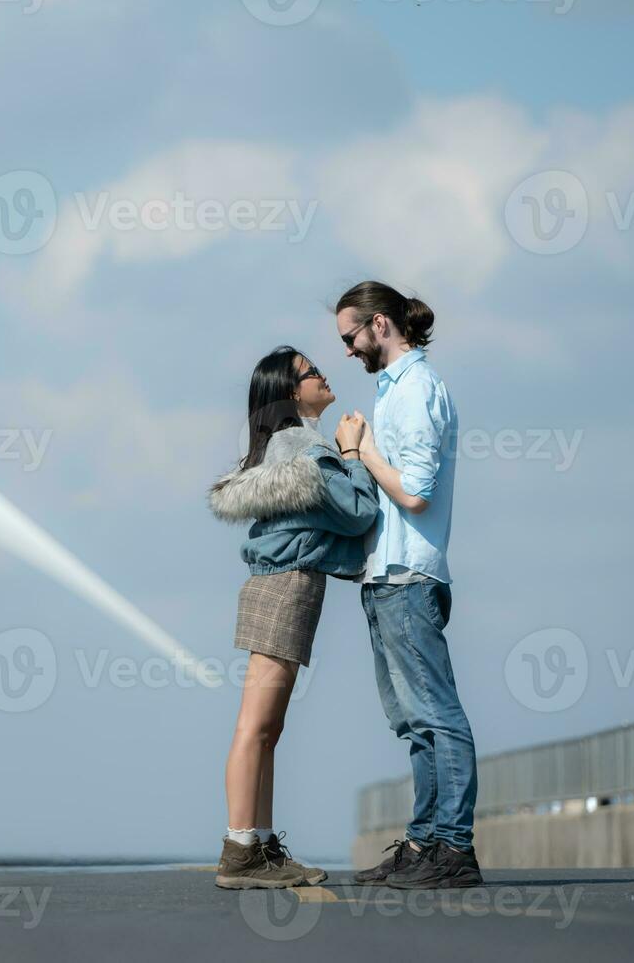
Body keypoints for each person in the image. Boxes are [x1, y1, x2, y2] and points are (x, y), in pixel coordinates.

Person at [207, 345, 379, 889]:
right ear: (290, 392)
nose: (324, 374)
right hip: (286, 587)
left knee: (268, 728)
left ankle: (258, 844)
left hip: (280, 586)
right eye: (311, 372)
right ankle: (240, 851)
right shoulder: (303, 444)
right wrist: (352, 454)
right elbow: (357, 514)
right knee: (256, 725)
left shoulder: (280, 446)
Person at [334, 281, 483, 890]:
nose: (346, 350)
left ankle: (454, 849)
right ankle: (425, 843)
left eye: (350, 337)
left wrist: (361, 450)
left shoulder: (417, 388)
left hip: (409, 575)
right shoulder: (394, 388)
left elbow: (416, 492)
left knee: (438, 717)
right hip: (386, 575)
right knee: (415, 723)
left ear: (380, 325)